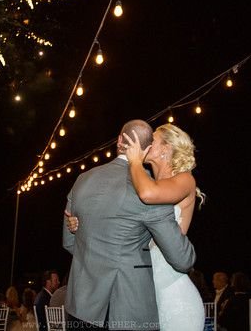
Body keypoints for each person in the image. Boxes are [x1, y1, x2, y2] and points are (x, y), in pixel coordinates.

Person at [62, 119, 197, 330]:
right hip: (126, 308)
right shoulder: (148, 190)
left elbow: (69, 243)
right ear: (145, 148)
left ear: (118, 141)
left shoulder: (82, 180)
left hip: (80, 306)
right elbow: (183, 259)